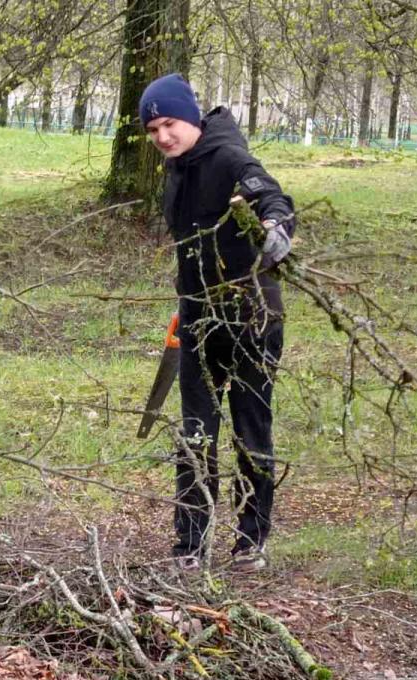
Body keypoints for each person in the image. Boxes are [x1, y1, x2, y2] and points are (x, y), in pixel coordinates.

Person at [139, 74, 296, 573]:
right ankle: (190, 544)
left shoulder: (229, 157)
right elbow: (191, 244)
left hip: (251, 316)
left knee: (251, 428)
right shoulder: (176, 169)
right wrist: (187, 297)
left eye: (169, 123)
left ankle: (251, 541)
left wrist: (276, 226)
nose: (163, 136)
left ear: (191, 117)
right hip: (198, 318)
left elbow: (271, 195)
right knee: (195, 432)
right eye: (153, 130)